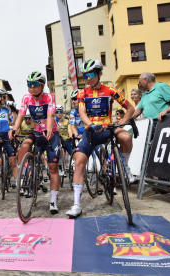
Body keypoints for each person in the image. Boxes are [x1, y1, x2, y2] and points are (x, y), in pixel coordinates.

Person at [67, 59, 135, 219]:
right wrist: (90, 124)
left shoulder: (111, 90)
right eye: (85, 76)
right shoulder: (83, 93)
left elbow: (130, 108)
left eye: (91, 74)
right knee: (78, 163)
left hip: (108, 129)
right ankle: (77, 205)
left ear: (99, 74)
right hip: (90, 132)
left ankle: (125, 168)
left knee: (125, 136)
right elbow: (82, 113)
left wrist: (123, 123)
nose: (88, 78)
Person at [12, 71, 60, 214]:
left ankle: (53, 200)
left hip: (51, 132)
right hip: (36, 132)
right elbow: (21, 114)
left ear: (42, 85)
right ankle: (23, 171)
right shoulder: (26, 98)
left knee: (52, 167)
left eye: (35, 85)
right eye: (29, 85)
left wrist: (49, 130)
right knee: (25, 145)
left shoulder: (50, 96)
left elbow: (51, 114)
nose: (31, 87)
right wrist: (14, 129)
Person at [55, 105, 72, 176]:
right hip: (57, 139)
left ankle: (73, 166)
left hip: (66, 139)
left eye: (60, 112)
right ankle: (60, 167)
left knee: (73, 151)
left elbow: (70, 130)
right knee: (59, 148)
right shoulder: (54, 121)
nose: (59, 113)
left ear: (62, 113)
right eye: (57, 112)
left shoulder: (67, 120)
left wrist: (71, 136)